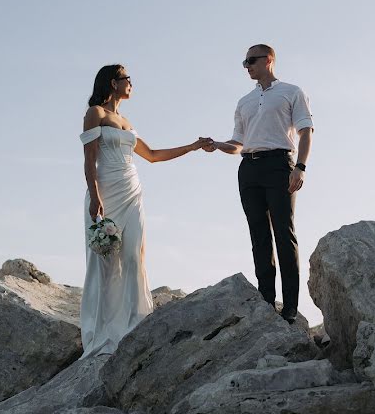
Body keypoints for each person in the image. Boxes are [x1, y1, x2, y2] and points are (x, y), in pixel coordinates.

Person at [79, 64, 212, 358]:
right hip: (106, 190)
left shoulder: (126, 121)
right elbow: (89, 160)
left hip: (132, 190)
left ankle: (134, 324)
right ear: (113, 82)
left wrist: (191, 146)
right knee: (106, 261)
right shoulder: (95, 114)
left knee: (133, 256)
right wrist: (94, 196)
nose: (131, 84)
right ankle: (103, 333)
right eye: (127, 79)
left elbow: (152, 156)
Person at [206, 44, 314, 323]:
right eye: (244, 62)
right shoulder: (244, 101)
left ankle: (290, 306)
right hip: (248, 168)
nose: (246, 66)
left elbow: (305, 132)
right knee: (258, 236)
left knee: (283, 233)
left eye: (251, 61)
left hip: (280, 165)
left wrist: (300, 167)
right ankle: (266, 301)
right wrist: (218, 145)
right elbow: (237, 142)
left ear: (269, 60)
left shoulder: (291, 91)